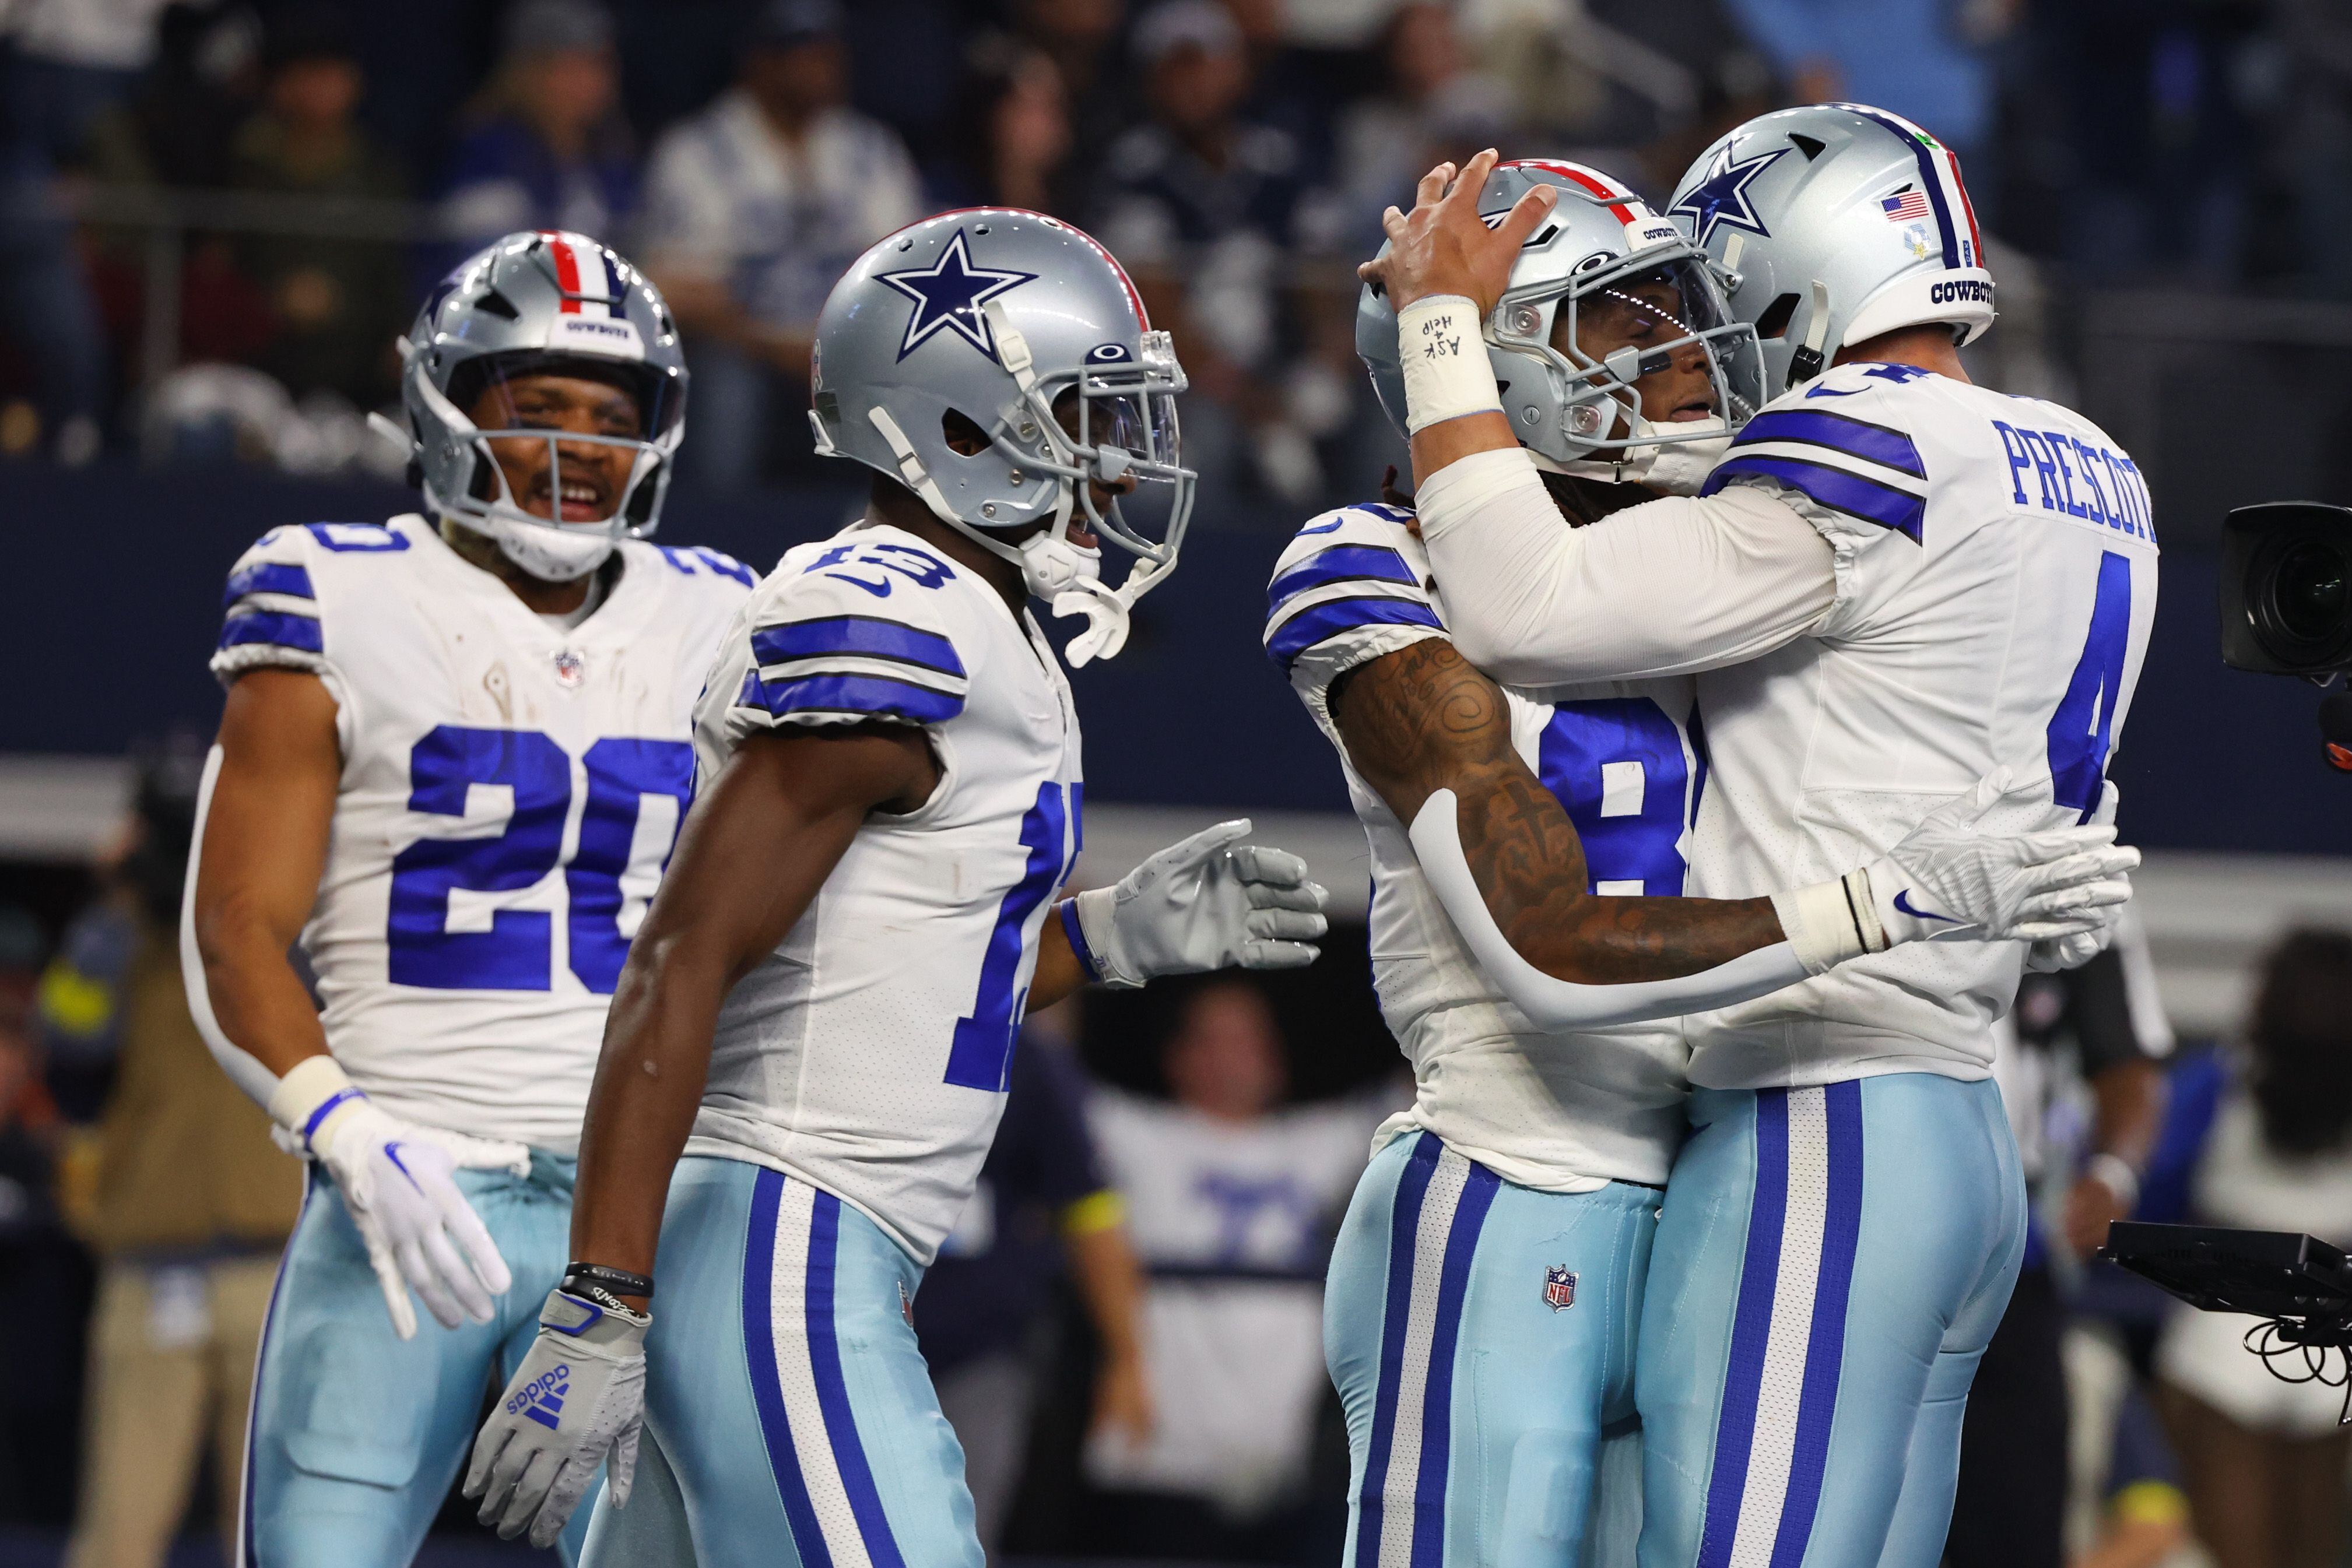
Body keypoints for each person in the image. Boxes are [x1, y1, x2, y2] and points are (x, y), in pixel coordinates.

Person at [1274, 156, 2137, 1567]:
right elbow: (1545, 943)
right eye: (1624, 320)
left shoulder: (1721, 564)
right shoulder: (1383, 564)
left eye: (1680, 300)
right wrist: (1885, 901)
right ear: (1496, 357)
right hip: (1511, 1182)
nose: (1687, 352)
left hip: (1692, 1192)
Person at [460, 207, 1331, 1566]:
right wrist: (598, 1296)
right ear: (963, 424)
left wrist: (1100, 941)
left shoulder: (969, 616)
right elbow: (680, 958)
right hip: (781, 1247)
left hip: (775, 1240)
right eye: (1081, 410)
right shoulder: (905, 618)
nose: (1120, 453)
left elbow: (882, 980)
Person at [183, 229, 752, 1566]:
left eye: (610, 416)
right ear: (446, 406)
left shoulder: (722, 613)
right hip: (407, 1187)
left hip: (633, 1218)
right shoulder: (333, 588)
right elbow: (232, 932)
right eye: (536, 406)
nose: (578, 446)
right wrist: (346, 1133)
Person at [50, 744, 301, 1568]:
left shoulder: (283, 918)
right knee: (119, 1534)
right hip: (151, 1270)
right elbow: (68, 1057)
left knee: (272, 1535)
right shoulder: (118, 940)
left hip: (271, 1273)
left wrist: (251, 878)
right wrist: (113, 917)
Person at [1083, 979, 1383, 1560]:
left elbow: (1439, 1079)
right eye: (1216, 1038)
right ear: (1178, 1055)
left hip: (1279, 1476)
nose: (1238, 1054)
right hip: (1157, 1465)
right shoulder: (1137, 1136)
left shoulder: (1318, 1144)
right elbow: (1038, 1072)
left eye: (1250, 1037)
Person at [1949, 911, 2173, 1568]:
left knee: (2015, 1516)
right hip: (1847, 1215)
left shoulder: (2072, 860)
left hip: (2009, 1250)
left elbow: (2127, 1055)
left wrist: (2112, 1171)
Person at [637, 0, 924, 490]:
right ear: (760, 63)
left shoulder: (873, 151)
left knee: (910, 380)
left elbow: (908, 280)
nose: (816, 70)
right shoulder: (697, 150)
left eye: (825, 55)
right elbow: (681, 294)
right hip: (746, 353)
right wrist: (779, 348)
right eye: (798, 55)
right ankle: (720, 529)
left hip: (846, 358)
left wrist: (828, 353)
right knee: (727, 387)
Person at [914, 1007, 1153, 1558]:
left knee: (954, 1540)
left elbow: (1089, 1208)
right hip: (831, 1335)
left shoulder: (1021, 1053)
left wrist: (1127, 1357)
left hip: (973, 1352)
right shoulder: (836, 1027)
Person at [2154, 928, 2352, 1568]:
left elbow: (2148, 1192)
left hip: (2219, 1355)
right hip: (2330, 1364)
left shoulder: (2215, 1081)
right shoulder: (2218, 1081)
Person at [434, 0, 640, 264]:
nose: (594, 80)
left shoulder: (611, 156)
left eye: (600, 63)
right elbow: (493, 277)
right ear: (528, 73)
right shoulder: (487, 158)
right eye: (571, 67)